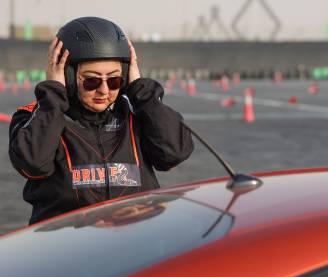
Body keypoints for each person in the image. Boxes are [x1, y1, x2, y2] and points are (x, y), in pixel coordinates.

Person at [8, 17, 194, 225]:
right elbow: (33, 164)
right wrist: (52, 98)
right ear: (68, 77)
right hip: (66, 247)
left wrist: (143, 92)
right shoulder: (35, 116)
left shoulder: (137, 113)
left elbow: (174, 153)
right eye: (91, 81)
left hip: (137, 242)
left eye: (114, 80)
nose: (104, 90)